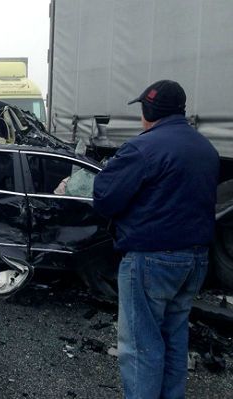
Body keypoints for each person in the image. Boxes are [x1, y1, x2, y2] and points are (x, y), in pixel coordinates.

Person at [93, 80, 219, 399]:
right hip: (195, 261)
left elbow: (105, 197)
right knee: (174, 341)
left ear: (148, 112)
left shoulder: (143, 147)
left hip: (152, 260)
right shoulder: (206, 148)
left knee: (141, 347)